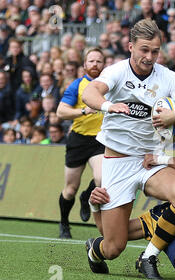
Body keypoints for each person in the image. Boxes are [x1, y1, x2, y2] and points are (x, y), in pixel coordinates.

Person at [81, 19, 175, 280]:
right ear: (130, 47)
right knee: (113, 246)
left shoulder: (169, 77)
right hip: (117, 163)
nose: (149, 57)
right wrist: (107, 106)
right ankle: (95, 250)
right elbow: (90, 92)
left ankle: (148, 257)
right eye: (144, 50)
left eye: (155, 51)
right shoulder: (116, 72)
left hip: (150, 160)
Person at [56, 47, 106, 238]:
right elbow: (61, 112)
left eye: (99, 61)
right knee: (70, 190)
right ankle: (64, 223)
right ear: (85, 65)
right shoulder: (77, 85)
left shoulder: (112, 85)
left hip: (100, 140)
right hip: (78, 140)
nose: (95, 64)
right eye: (91, 61)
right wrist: (83, 111)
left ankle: (87, 197)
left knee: (102, 179)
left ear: (104, 64)